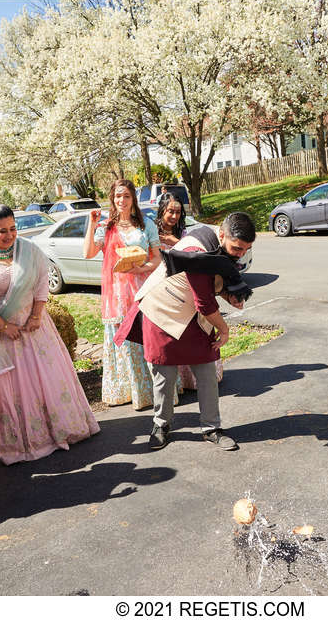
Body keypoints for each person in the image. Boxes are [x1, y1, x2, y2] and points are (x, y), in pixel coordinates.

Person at [0, 204, 99, 465]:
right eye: (2, 231)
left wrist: (36, 316)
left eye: (13, 229)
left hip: (35, 330)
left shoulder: (29, 250)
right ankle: (19, 443)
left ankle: (56, 432)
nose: (10, 235)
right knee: (9, 388)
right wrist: (3, 325)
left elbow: (41, 281)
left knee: (44, 380)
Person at [116, 212, 255, 452]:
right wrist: (224, 330)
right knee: (165, 376)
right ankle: (161, 425)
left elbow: (212, 282)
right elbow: (204, 302)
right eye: (237, 248)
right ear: (222, 234)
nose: (240, 254)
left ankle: (211, 428)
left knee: (207, 373)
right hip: (161, 312)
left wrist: (229, 294)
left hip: (189, 313)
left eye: (246, 249)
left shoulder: (216, 242)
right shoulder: (198, 253)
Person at [83, 179, 162, 410]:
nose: (122, 200)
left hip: (142, 288)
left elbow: (157, 257)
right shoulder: (106, 227)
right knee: (126, 341)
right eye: (118, 196)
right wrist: (91, 223)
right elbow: (88, 253)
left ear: (133, 199)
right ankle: (130, 391)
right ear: (112, 198)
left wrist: (142, 268)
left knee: (147, 337)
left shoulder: (145, 224)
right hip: (117, 294)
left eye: (126, 196)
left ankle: (156, 390)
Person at [156, 192, 223, 389]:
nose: (175, 216)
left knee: (190, 332)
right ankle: (176, 381)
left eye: (178, 212)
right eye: (170, 211)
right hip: (163, 290)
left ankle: (193, 379)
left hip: (186, 287)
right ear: (162, 211)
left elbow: (191, 256)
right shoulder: (152, 232)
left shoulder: (184, 234)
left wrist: (173, 241)